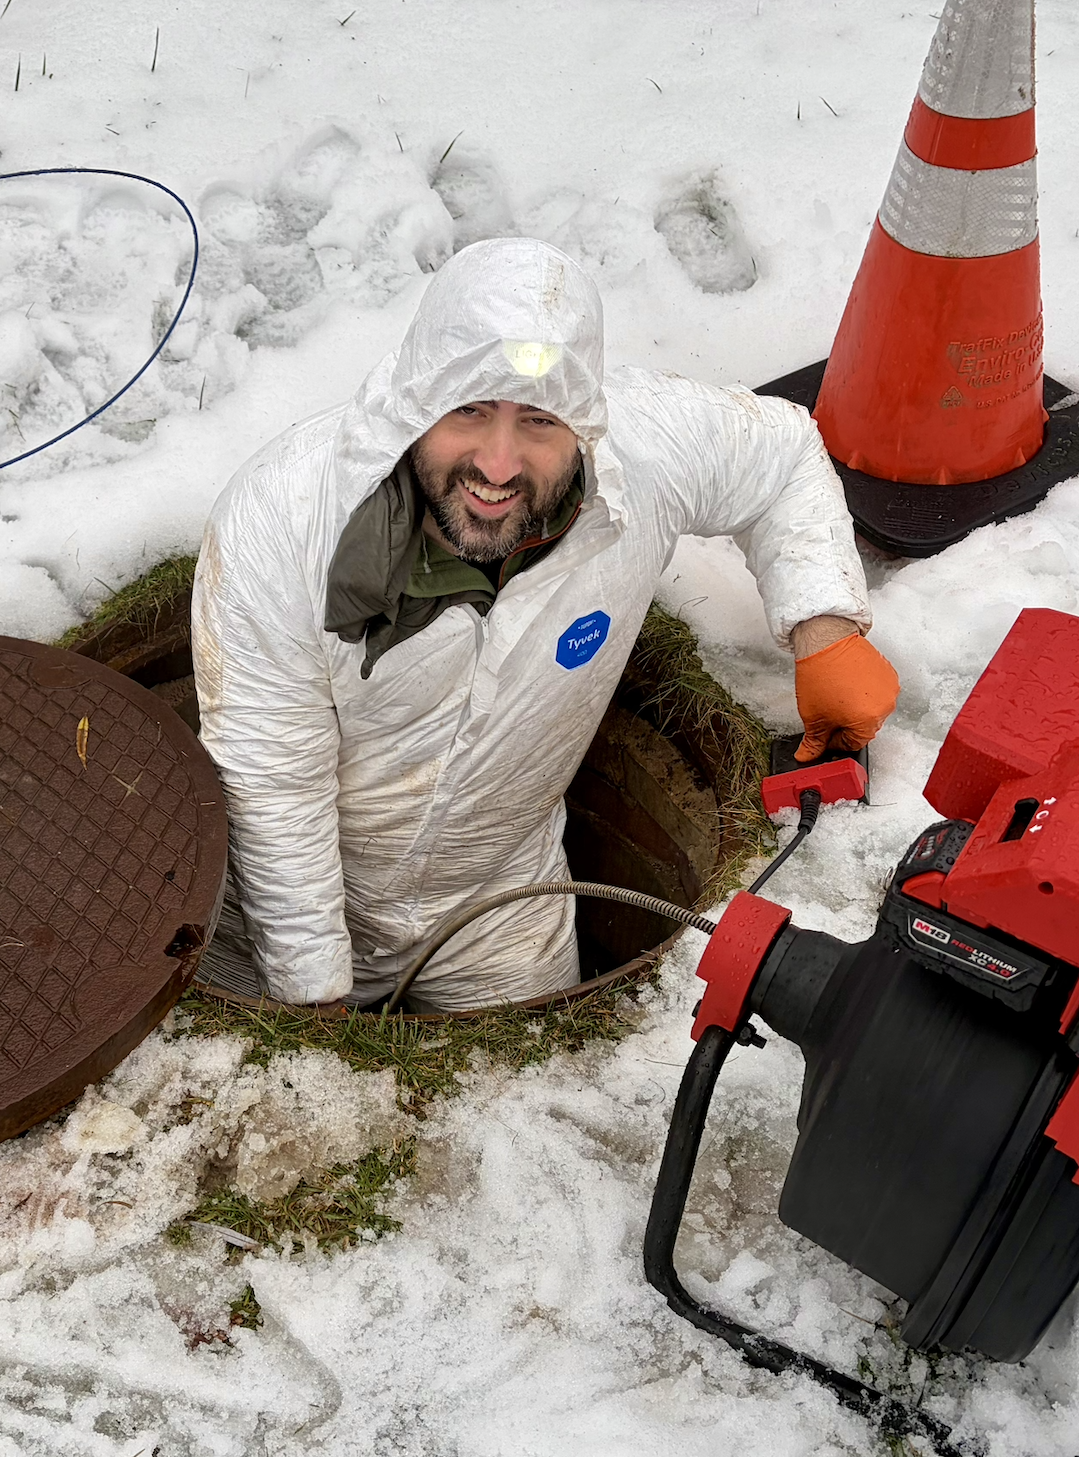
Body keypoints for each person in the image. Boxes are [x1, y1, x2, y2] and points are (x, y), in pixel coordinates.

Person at [192, 238, 897, 1011]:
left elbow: (784, 452)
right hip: (266, 912)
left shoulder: (640, 455)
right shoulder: (286, 521)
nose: (498, 464)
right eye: (469, 411)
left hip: (497, 903)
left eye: (538, 420)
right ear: (417, 401)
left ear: (586, 426)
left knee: (521, 1103)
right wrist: (313, 1007)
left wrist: (825, 628)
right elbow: (273, 786)